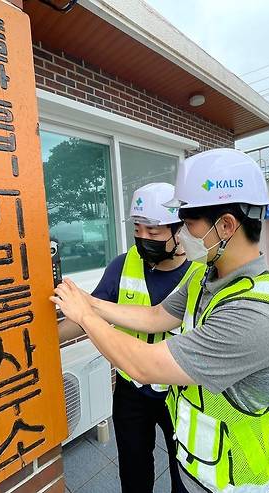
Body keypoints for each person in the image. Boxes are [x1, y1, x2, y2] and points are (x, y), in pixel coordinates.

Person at [52, 149, 269, 493]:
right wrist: (89, 302)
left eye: (187, 224)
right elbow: (156, 316)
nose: (184, 236)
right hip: (204, 460)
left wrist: (84, 314)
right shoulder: (207, 277)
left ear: (226, 226)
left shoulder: (255, 316)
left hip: (238, 479)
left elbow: (145, 365)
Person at [58, 182, 201, 493]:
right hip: (131, 390)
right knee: (134, 469)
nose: (143, 238)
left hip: (181, 393)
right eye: (138, 229)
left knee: (188, 475)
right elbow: (89, 314)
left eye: (153, 231)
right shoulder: (123, 264)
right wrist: (47, 338)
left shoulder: (199, 274)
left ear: (179, 231)